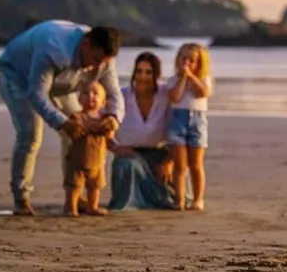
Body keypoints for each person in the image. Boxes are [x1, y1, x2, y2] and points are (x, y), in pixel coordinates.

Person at [0, 20, 124, 215]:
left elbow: (114, 95)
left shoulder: (104, 60)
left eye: (103, 63)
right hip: (17, 75)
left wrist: (114, 117)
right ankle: (21, 196)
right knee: (30, 134)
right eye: (96, 60)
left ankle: (74, 194)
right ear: (86, 45)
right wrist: (63, 122)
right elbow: (37, 95)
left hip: (63, 82)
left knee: (80, 131)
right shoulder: (53, 48)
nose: (97, 67)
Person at [108, 52, 188, 210]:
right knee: (125, 165)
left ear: (156, 74)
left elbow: (179, 130)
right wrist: (115, 147)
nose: (142, 76)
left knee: (175, 184)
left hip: (161, 153)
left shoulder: (167, 95)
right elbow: (103, 126)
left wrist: (169, 161)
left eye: (148, 72)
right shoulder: (122, 96)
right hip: (131, 153)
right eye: (138, 71)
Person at [167, 43, 213, 211]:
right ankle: (179, 199)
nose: (187, 63)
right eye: (183, 59)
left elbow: (203, 92)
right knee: (180, 165)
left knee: (196, 164)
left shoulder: (203, 79)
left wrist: (191, 77)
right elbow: (175, 97)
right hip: (178, 120)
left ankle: (198, 198)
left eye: (192, 60)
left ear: (199, 63)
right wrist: (183, 78)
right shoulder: (173, 81)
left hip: (197, 120)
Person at [63, 82, 117, 217]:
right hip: (77, 160)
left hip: (97, 162)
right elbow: (72, 131)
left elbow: (111, 134)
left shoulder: (105, 119)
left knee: (95, 187)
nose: (90, 96)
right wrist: (78, 127)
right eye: (86, 93)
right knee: (74, 186)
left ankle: (92, 207)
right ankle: (70, 207)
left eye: (95, 94)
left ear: (104, 102)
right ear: (80, 99)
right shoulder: (77, 116)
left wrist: (111, 125)